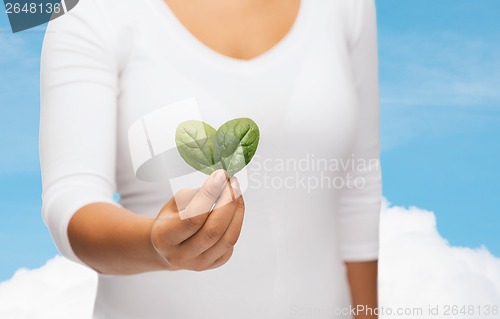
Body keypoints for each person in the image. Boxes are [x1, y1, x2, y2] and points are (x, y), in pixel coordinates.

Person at [40, 0, 381, 318]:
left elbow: (358, 184)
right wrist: (155, 244)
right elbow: (71, 197)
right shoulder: (88, 9)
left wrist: (368, 313)